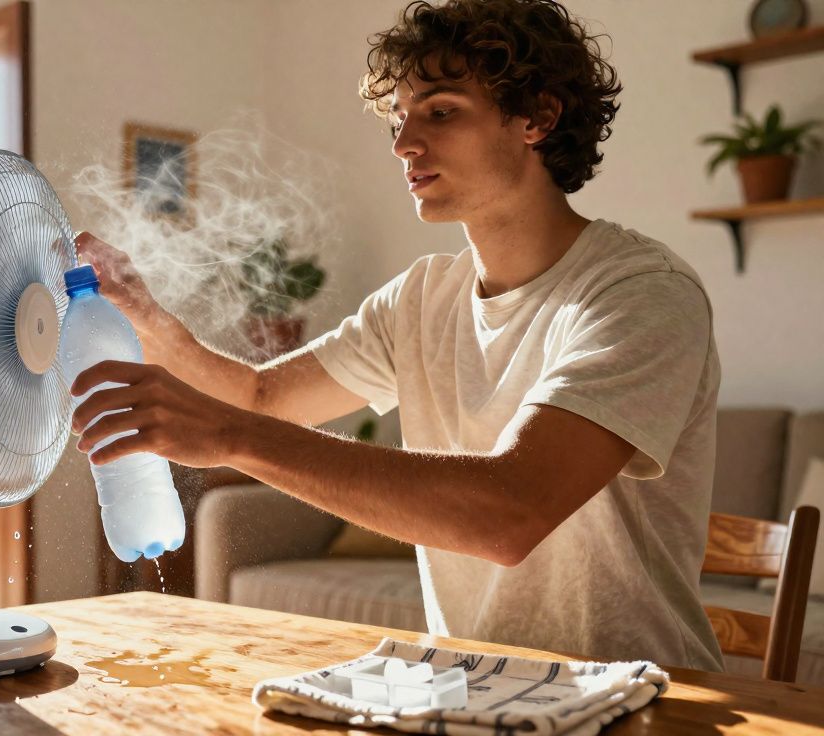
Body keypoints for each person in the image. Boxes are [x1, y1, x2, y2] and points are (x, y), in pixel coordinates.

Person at [70, 0, 722, 671]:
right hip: (472, 691)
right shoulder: (420, 299)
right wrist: (146, 315)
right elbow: (262, 396)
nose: (405, 143)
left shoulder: (641, 292)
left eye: (440, 111)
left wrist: (231, 439)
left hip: (643, 696)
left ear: (538, 117)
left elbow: (510, 513)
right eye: (399, 118)